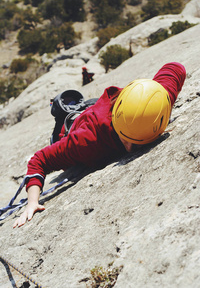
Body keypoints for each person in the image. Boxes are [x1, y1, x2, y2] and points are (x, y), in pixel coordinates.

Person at [13, 62, 186, 228]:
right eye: (125, 139)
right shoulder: (86, 140)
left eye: (135, 143)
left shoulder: (155, 103)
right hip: (76, 128)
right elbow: (39, 160)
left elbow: (175, 68)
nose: (129, 148)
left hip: (102, 107)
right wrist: (33, 202)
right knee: (61, 136)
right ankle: (68, 116)